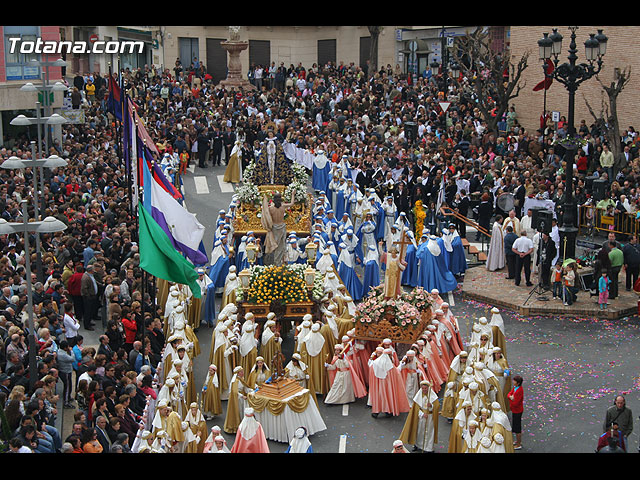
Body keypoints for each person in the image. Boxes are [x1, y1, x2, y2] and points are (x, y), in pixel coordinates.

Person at [398, 380, 440, 452]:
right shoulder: (418, 396)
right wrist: (422, 414)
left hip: (430, 418)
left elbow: (437, 407)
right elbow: (416, 409)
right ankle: (418, 445)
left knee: (429, 432)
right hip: (421, 418)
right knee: (419, 431)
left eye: (425, 388)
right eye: (423, 388)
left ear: (428, 388)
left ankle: (429, 448)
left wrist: (431, 406)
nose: (424, 390)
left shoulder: (432, 396)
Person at [507, 375, 524, 450]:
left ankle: (519, 443)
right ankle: (517, 441)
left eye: (514, 381)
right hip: (514, 410)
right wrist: (511, 397)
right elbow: (509, 394)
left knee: (517, 428)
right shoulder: (515, 388)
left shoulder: (519, 391)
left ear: (518, 383)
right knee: (515, 426)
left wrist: (511, 398)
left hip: (518, 411)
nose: (513, 382)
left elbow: (515, 403)